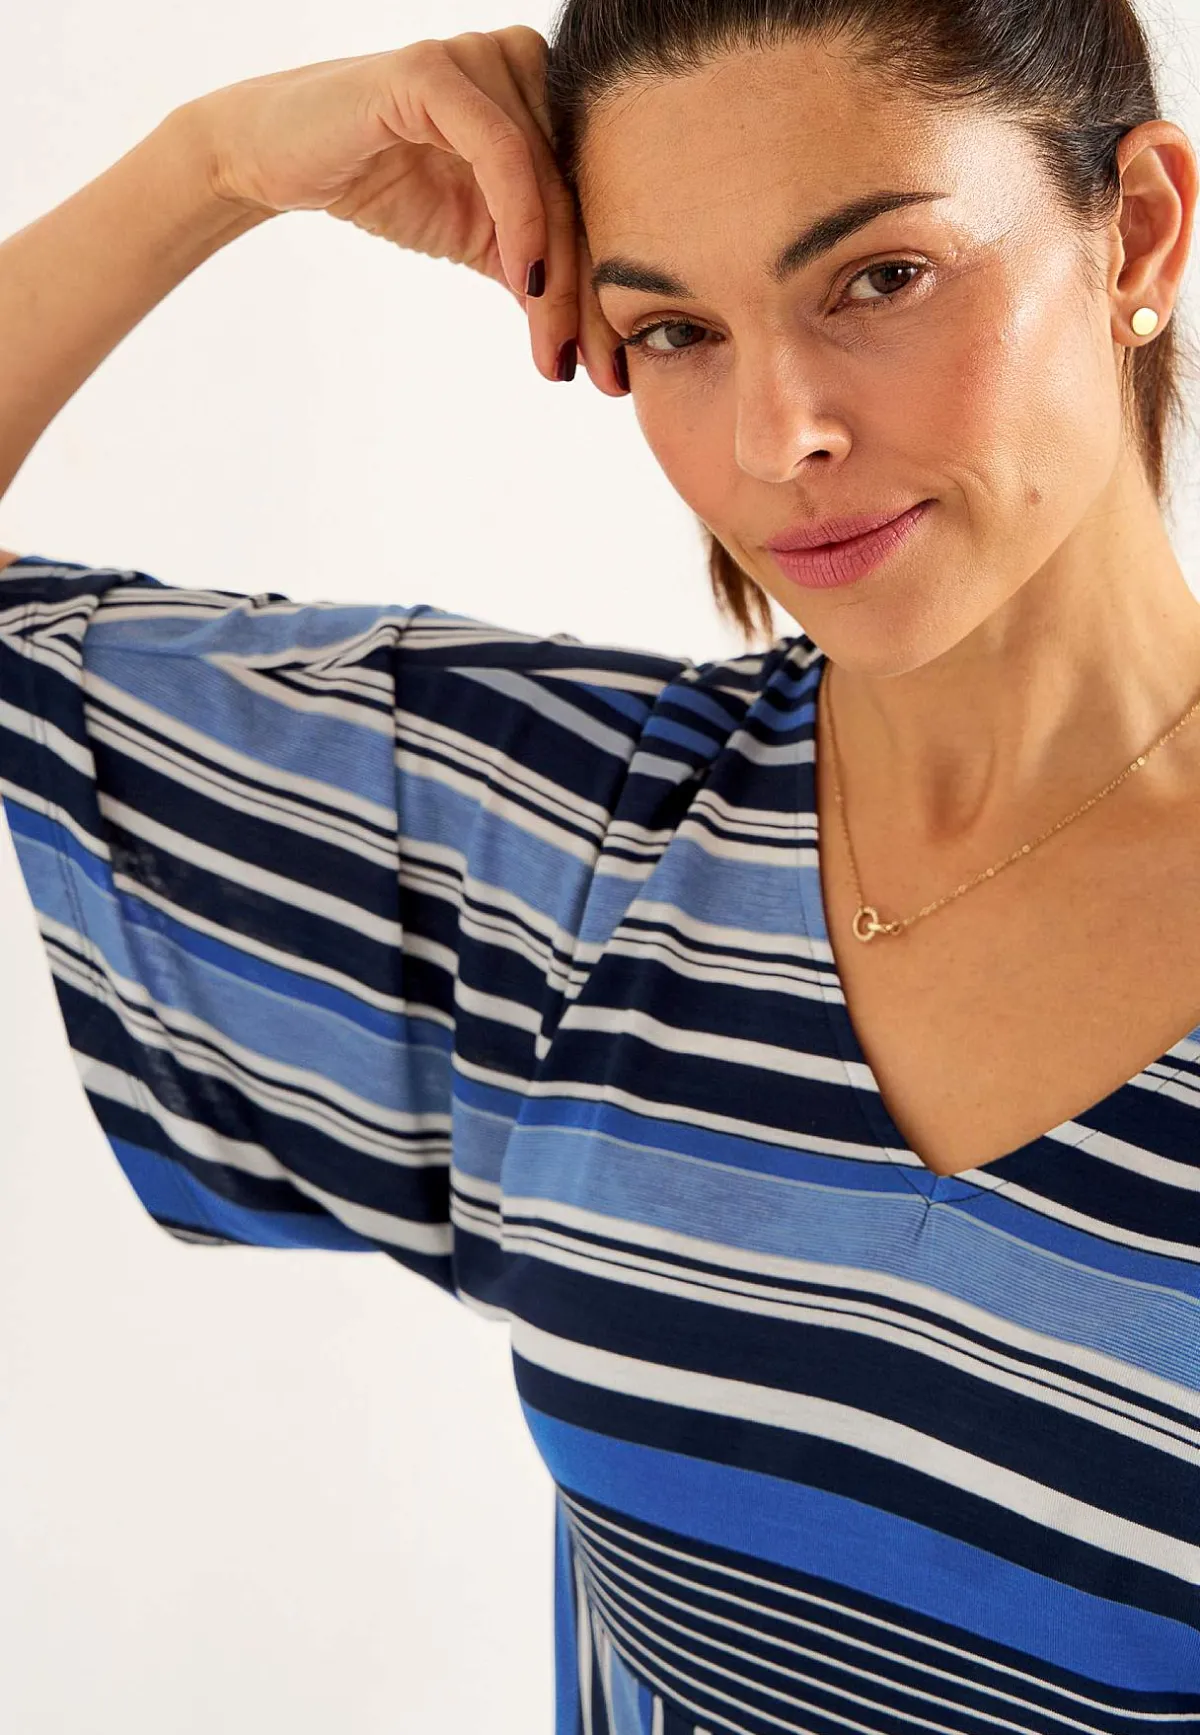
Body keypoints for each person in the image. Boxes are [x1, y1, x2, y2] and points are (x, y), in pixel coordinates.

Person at [2, 4, 1199, 1730]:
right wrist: (215, 161)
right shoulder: (566, 846)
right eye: (676, 329)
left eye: (879, 279)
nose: (778, 434)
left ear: (1137, 229)